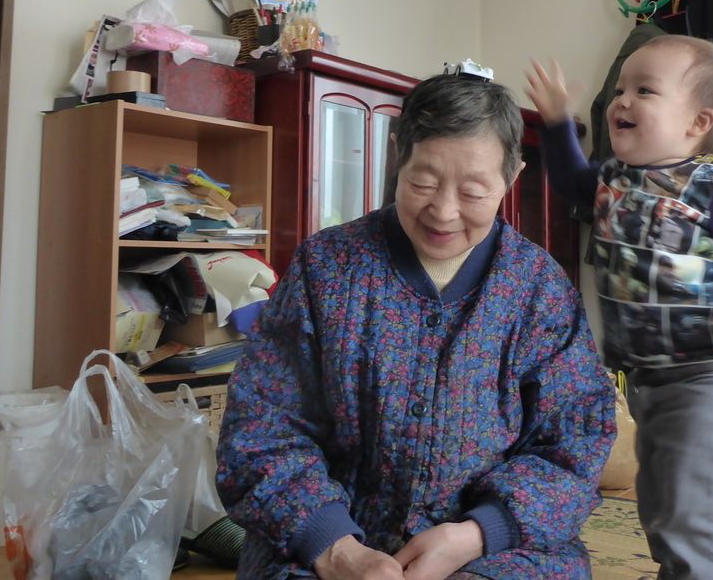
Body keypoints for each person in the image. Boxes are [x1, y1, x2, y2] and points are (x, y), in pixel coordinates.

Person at [215, 73, 616, 580]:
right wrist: (334, 547)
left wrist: (477, 533)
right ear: (397, 156)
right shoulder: (327, 266)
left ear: (512, 176)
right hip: (327, 540)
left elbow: (575, 441)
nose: (443, 212)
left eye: (473, 191)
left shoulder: (539, 288)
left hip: (491, 547)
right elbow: (261, 426)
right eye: (422, 183)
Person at [525, 34, 713, 580]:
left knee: (690, 507)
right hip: (649, 377)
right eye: (620, 90)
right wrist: (557, 124)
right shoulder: (609, 179)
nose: (622, 100)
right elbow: (569, 182)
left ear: (697, 123)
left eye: (644, 90)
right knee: (657, 499)